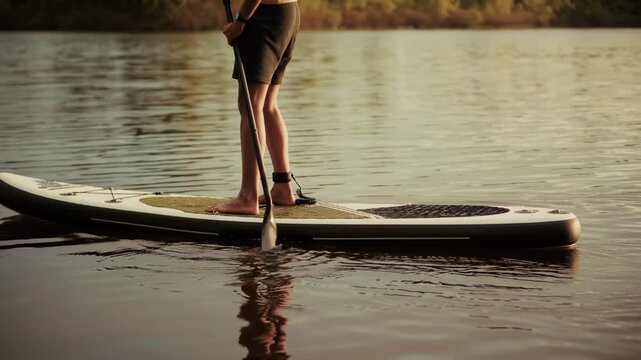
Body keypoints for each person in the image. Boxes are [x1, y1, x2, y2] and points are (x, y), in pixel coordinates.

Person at [208, 0, 300, 215]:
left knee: (250, 105)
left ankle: (248, 196)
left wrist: (241, 20)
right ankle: (282, 187)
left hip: (265, 15)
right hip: (287, 12)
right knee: (267, 105)